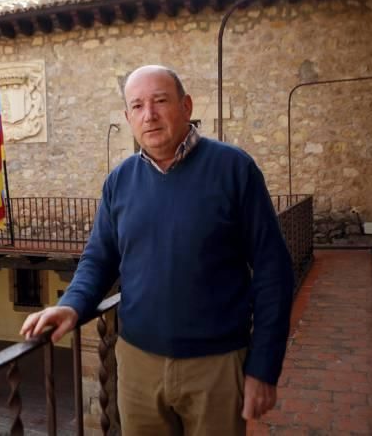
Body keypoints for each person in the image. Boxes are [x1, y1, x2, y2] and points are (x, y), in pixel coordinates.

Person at [20, 65, 294, 435]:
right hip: (137, 367)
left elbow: (272, 271)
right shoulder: (120, 181)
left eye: (160, 101)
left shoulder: (234, 169)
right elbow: (99, 258)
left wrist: (263, 366)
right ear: (128, 117)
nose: (149, 115)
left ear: (186, 106)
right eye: (137, 106)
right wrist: (72, 304)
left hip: (216, 367)